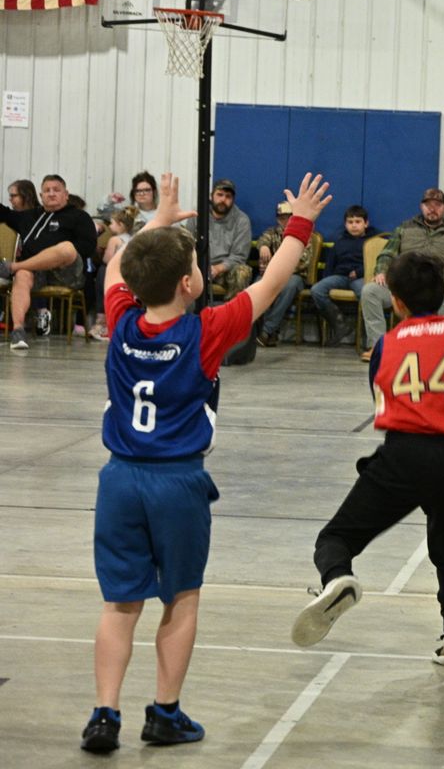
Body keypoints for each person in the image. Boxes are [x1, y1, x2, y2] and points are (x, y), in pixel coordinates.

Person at [79, 171, 331, 754]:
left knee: (120, 604)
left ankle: (104, 715)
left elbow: (117, 268)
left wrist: (158, 221)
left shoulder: (120, 320)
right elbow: (272, 281)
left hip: (118, 479)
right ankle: (165, 713)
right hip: (177, 481)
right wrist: (302, 221)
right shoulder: (206, 331)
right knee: (182, 595)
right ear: (190, 283)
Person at [291, 252, 444, 671]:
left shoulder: (387, 344)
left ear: (397, 303)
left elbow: (380, 394)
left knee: (336, 538)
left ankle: (337, 578)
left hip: (405, 453)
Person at [359, 188, 444, 362]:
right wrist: (381, 270)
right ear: (421, 206)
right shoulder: (404, 228)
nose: (432, 209)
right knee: (370, 291)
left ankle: (436, 348)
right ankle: (378, 347)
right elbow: (387, 254)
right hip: (404, 285)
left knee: (443, 291)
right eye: (428, 204)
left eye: (437, 205)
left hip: (437, 287)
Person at [0, 174, 97, 350]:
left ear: (66, 194)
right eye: (47, 190)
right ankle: (18, 330)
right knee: (22, 275)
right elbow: (4, 213)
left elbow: (88, 247)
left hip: (66, 273)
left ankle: (13, 267)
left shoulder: (79, 216)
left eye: (56, 190)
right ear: (41, 195)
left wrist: (54, 256)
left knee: (67, 247)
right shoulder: (29, 216)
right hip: (35, 273)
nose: (51, 193)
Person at [256, 201, 322, 347]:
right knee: (258, 284)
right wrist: (263, 246)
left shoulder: (305, 235)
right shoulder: (273, 233)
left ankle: (267, 330)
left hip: (296, 276)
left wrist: (275, 270)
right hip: (273, 274)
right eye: (282, 218)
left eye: (289, 217)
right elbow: (263, 239)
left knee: (288, 286)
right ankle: (260, 330)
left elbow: (302, 262)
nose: (285, 221)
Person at [310, 205, 379, 346]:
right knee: (317, 290)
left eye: (358, 222)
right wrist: (327, 279)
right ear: (345, 224)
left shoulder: (372, 241)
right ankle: (340, 324)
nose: (354, 225)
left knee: (366, 294)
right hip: (341, 277)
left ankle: (370, 337)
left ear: (366, 223)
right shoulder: (340, 241)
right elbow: (330, 264)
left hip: (361, 277)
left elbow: (374, 262)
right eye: (350, 222)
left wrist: (359, 272)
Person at [89, 207, 138, 341]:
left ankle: (101, 320)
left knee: (102, 270)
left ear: (120, 225)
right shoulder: (134, 239)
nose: (109, 226)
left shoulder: (114, 240)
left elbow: (107, 259)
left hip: (116, 276)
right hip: (130, 276)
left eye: (112, 223)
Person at [206, 179, 253, 300]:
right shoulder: (197, 215)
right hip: (200, 267)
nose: (223, 199)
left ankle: (232, 310)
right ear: (211, 196)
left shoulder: (242, 220)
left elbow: (239, 257)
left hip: (225, 270)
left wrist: (217, 269)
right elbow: (189, 247)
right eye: (220, 195)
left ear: (233, 200)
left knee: (242, 272)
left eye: (228, 196)